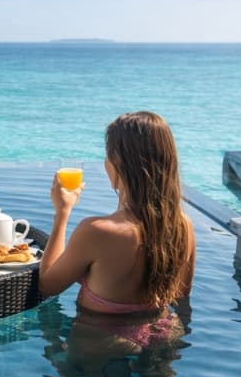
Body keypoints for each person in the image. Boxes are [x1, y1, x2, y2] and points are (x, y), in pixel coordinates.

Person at [38, 111, 195, 314]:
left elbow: (48, 285)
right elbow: (181, 296)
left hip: (101, 333)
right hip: (164, 327)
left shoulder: (97, 231)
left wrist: (62, 212)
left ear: (115, 163)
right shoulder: (184, 226)